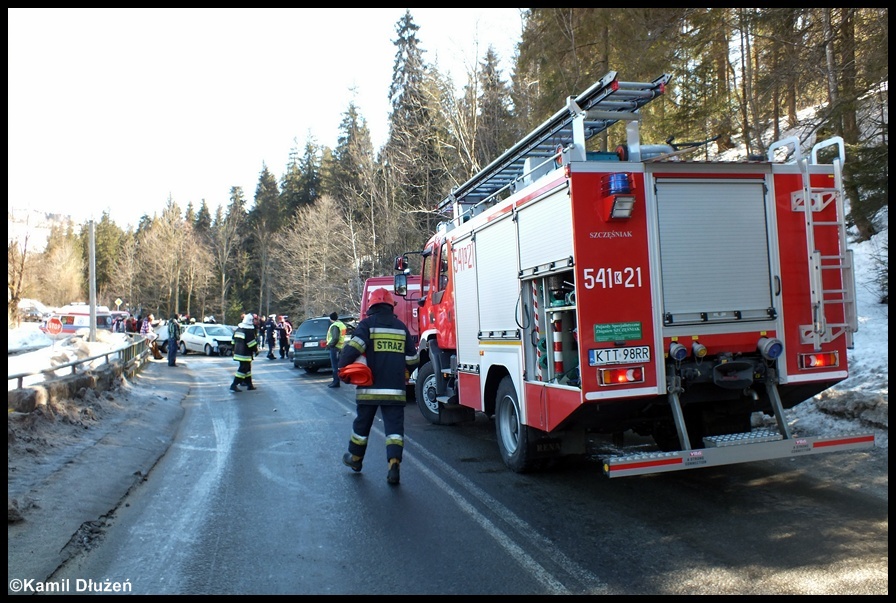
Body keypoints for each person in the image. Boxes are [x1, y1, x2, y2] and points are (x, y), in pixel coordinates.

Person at [339, 289, 418, 485]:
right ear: (391, 306)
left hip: (369, 389)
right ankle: (393, 463)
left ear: (371, 306)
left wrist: (342, 364)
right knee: (394, 429)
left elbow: (354, 348)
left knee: (362, 425)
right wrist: (404, 369)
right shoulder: (401, 327)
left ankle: (356, 459)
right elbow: (413, 358)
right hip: (395, 390)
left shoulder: (366, 325)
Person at [230, 313, 258, 393]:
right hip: (245, 354)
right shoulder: (248, 331)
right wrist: (256, 350)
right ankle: (234, 385)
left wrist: (233, 350)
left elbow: (233, 341)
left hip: (238, 353)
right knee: (243, 370)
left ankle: (249, 385)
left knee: (247, 369)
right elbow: (251, 343)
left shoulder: (238, 329)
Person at [325, 312, 347, 388]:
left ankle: (336, 382)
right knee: (337, 365)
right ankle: (336, 381)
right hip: (340, 347)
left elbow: (335, 338)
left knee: (335, 366)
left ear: (331, 319)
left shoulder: (334, 326)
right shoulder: (341, 324)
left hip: (335, 347)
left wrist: (330, 345)